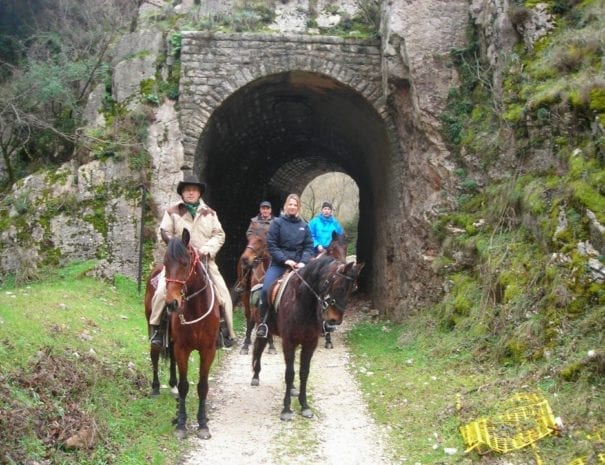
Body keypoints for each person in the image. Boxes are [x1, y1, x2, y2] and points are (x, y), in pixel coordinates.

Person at [149, 174, 236, 347]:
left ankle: (226, 332)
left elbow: (219, 235)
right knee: (160, 292)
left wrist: (206, 250)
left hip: (204, 261)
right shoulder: (172, 212)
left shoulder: (210, 213)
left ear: (199, 193)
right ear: (182, 193)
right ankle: (157, 330)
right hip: (178, 263)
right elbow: (164, 232)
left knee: (222, 293)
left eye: (194, 190)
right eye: (187, 190)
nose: (190, 193)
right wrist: (179, 248)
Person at [256, 193, 314, 338]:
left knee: (314, 289)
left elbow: (309, 246)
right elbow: (272, 245)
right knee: (265, 290)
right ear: (285, 206)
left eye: (295, 205)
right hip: (279, 264)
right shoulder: (277, 223)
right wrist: (285, 260)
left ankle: (316, 322)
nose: (292, 207)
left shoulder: (304, 226)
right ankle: (263, 323)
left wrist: (303, 262)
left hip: (300, 265)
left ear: (298, 207)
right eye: (290, 204)